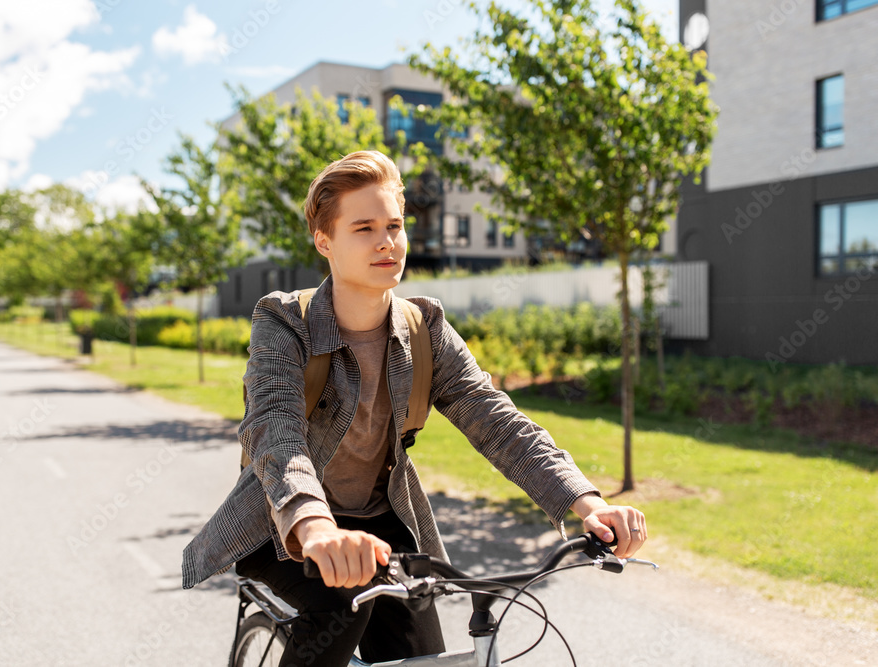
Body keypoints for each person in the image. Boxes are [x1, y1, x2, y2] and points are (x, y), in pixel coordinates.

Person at [182, 150, 647, 664]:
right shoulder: (284, 322)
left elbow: (496, 420)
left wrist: (589, 503)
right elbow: (275, 432)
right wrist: (316, 528)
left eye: (394, 225)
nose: (386, 241)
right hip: (283, 524)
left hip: (380, 522)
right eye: (364, 228)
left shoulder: (424, 329)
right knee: (342, 607)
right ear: (324, 241)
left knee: (422, 659)